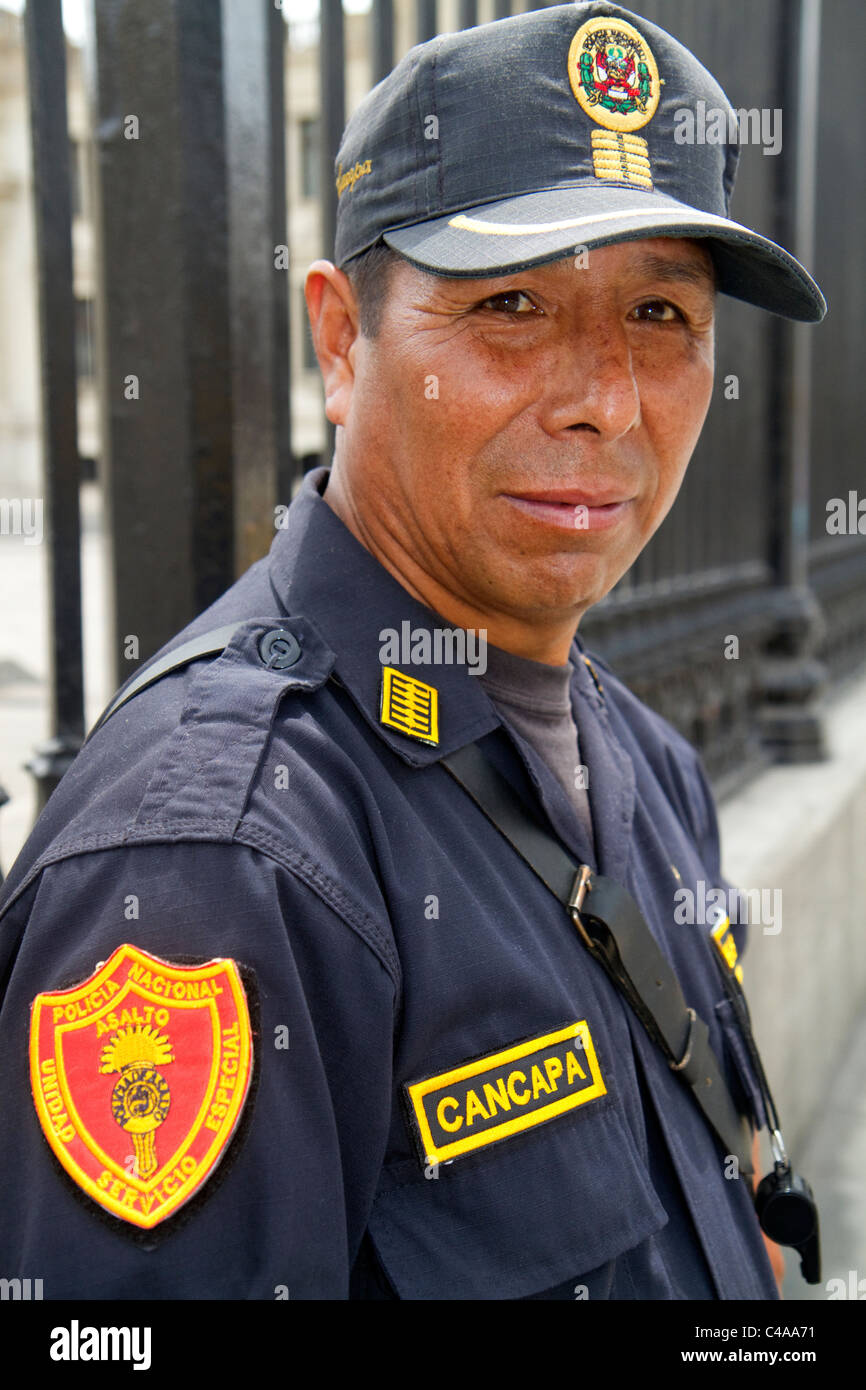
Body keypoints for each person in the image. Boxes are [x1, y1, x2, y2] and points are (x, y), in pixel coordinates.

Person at [0, 2, 824, 1299]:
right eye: (510, 303)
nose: (602, 396)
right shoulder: (222, 870)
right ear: (341, 338)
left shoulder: (639, 760)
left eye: (660, 312)